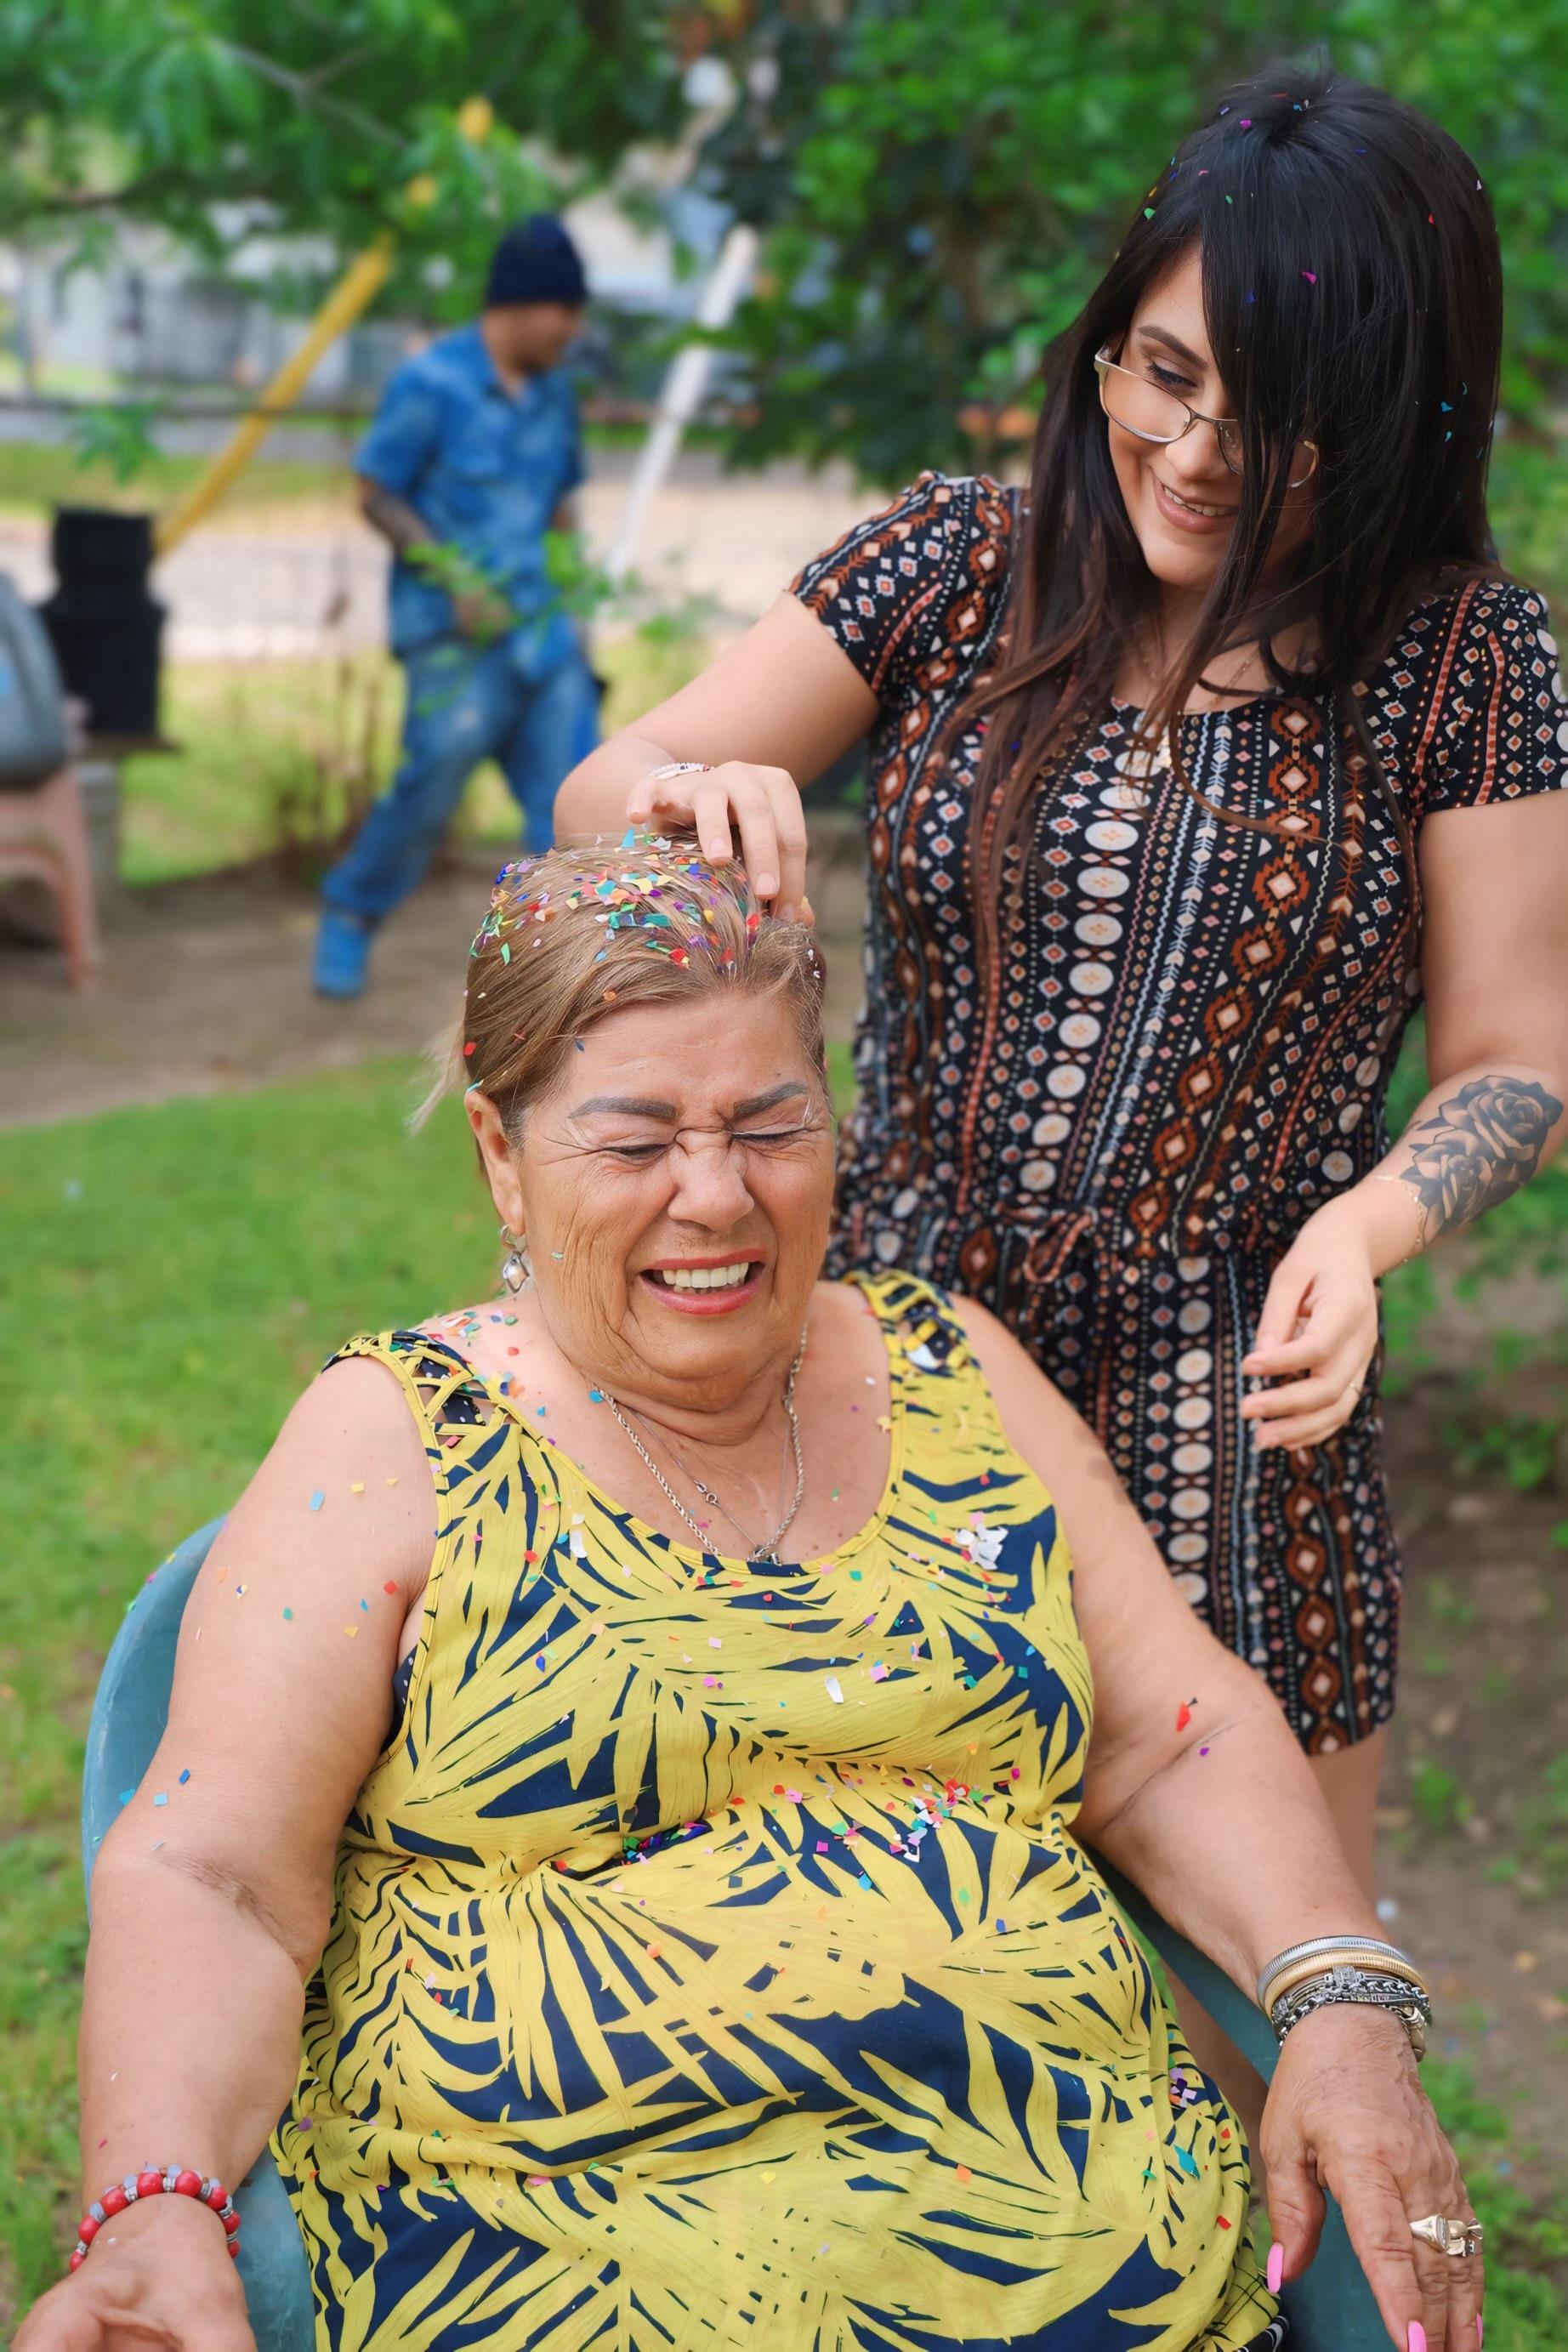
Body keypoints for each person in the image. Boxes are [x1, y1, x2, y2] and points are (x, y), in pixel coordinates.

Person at [22, 842, 1480, 2352]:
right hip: (559, 2261)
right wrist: (157, 2204)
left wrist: (1340, 2002)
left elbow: (1170, 1735)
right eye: (634, 1137)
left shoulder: (952, 1368)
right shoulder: (397, 1436)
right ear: (497, 1155)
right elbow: (217, 1875)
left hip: (1083, 2263)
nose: (713, 1195)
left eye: (767, 1123)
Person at [554, 63, 1568, 2132]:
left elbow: (1516, 1054)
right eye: (1162, 370)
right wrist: (676, 796)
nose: (1192, 449)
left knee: (1245, 2062)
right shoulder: (951, 564)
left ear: (1388, 416)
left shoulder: (1469, 661)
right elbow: (594, 805)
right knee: (845, 2021)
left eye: (1269, 414)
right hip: (882, 1384)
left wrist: (1367, 1227)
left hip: (1233, 1421)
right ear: (1106, 339)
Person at [314, 214, 600, 1000]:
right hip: (453, 635)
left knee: (580, 798)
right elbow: (377, 494)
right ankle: (351, 910)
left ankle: (581, 971)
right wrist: (450, 575)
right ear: (521, 302)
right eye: (565, 312)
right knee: (433, 781)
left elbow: (561, 510)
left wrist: (577, 611)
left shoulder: (554, 398)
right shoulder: (429, 383)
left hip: (542, 635)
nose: (573, 331)